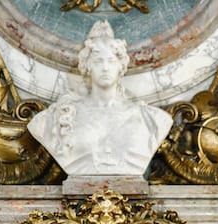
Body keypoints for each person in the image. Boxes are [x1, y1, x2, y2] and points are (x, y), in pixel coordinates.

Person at [27, 20, 173, 176]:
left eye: (111, 61)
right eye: (98, 61)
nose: (105, 67)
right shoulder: (59, 116)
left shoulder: (151, 118)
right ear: (87, 67)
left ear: (121, 66)